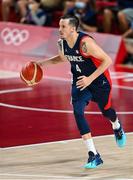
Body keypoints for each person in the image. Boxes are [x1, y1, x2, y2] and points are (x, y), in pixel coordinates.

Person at [37, 15, 126, 168]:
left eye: (63, 26)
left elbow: (107, 61)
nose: (59, 29)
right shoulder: (62, 43)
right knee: (78, 112)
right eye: (59, 26)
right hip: (79, 82)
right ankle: (94, 154)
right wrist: (39, 64)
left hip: (99, 81)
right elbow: (62, 59)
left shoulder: (86, 43)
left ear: (73, 28)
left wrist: (90, 79)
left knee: (107, 112)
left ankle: (116, 125)